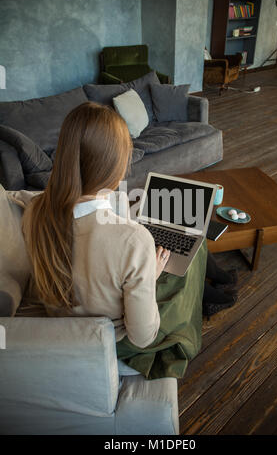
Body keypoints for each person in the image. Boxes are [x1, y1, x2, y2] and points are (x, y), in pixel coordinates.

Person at [21, 101, 237, 379]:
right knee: (186, 254)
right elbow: (143, 337)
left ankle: (211, 287)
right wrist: (149, 274)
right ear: (114, 166)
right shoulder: (133, 241)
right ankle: (204, 296)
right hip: (116, 339)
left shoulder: (35, 212)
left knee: (181, 242)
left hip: (67, 321)